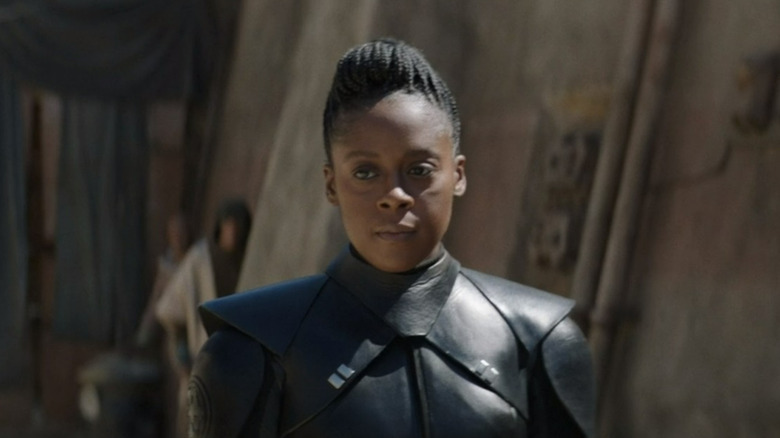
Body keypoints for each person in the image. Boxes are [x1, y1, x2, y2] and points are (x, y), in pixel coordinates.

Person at [190, 39, 595, 438]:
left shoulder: (539, 342)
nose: (395, 195)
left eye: (419, 170)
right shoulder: (252, 351)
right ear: (331, 185)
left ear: (458, 175)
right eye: (365, 173)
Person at [155, 200, 252, 438]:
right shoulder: (200, 259)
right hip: (203, 360)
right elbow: (168, 309)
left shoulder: (248, 258)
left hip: (237, 367)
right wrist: (182, 354)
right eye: (229, 226)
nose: (233, 234)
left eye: (238, 227)